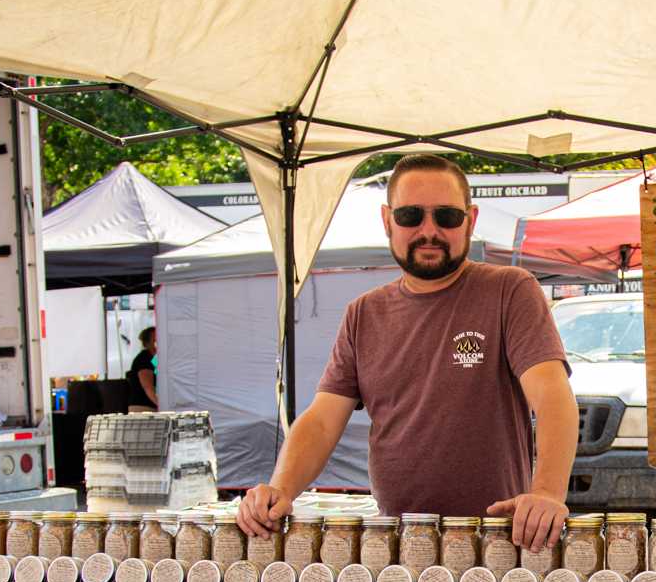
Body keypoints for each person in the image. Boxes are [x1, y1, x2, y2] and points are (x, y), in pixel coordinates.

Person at [238, 154, 578, 547]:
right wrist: (282, 488)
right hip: (397, 545)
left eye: (447, 217)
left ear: (471, 219)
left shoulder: (509, 290)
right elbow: (322, 420)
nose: (429, 231)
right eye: (411, 216)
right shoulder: (363, 314)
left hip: (498, 543)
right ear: (387, 220)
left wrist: (548, 493)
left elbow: (552, 396)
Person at [126, 326, 158, 409]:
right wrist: (161, 405)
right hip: (143, 408)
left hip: (149, 407)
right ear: (148, 343)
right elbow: (148, 387)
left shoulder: (154, 359)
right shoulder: (144, 358)